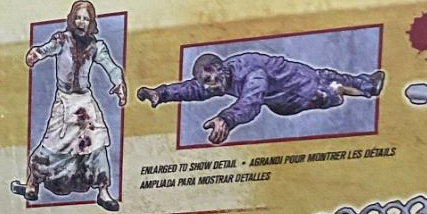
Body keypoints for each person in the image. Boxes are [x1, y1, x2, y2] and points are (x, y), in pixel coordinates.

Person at [12, 0, 126, 210]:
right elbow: (45, 49)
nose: (81, 22)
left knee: (96, 144)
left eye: (86, 19)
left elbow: (111, 67)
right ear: (73, 20)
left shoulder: (96, 46)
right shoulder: (62, 39)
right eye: (78, 18)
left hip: (85, 104)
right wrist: (35, 54)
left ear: (91, 22)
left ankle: (103, 192)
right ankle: (32, 184)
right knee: (52, 143)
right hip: (64, 102)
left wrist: (118, 83)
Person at [136, 47, 384, 143]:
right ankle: (350, 90)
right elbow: (194, 88)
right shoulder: (221, 76)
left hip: (301, 89)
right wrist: (161, 93)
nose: (210, 88)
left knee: (331, 82)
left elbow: (251, 102)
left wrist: (227, 119)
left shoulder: (251, 73)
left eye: (212, 81)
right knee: (329, 82)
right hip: (289, 97)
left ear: (222, 69)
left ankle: (360, 88)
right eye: (207, 83)